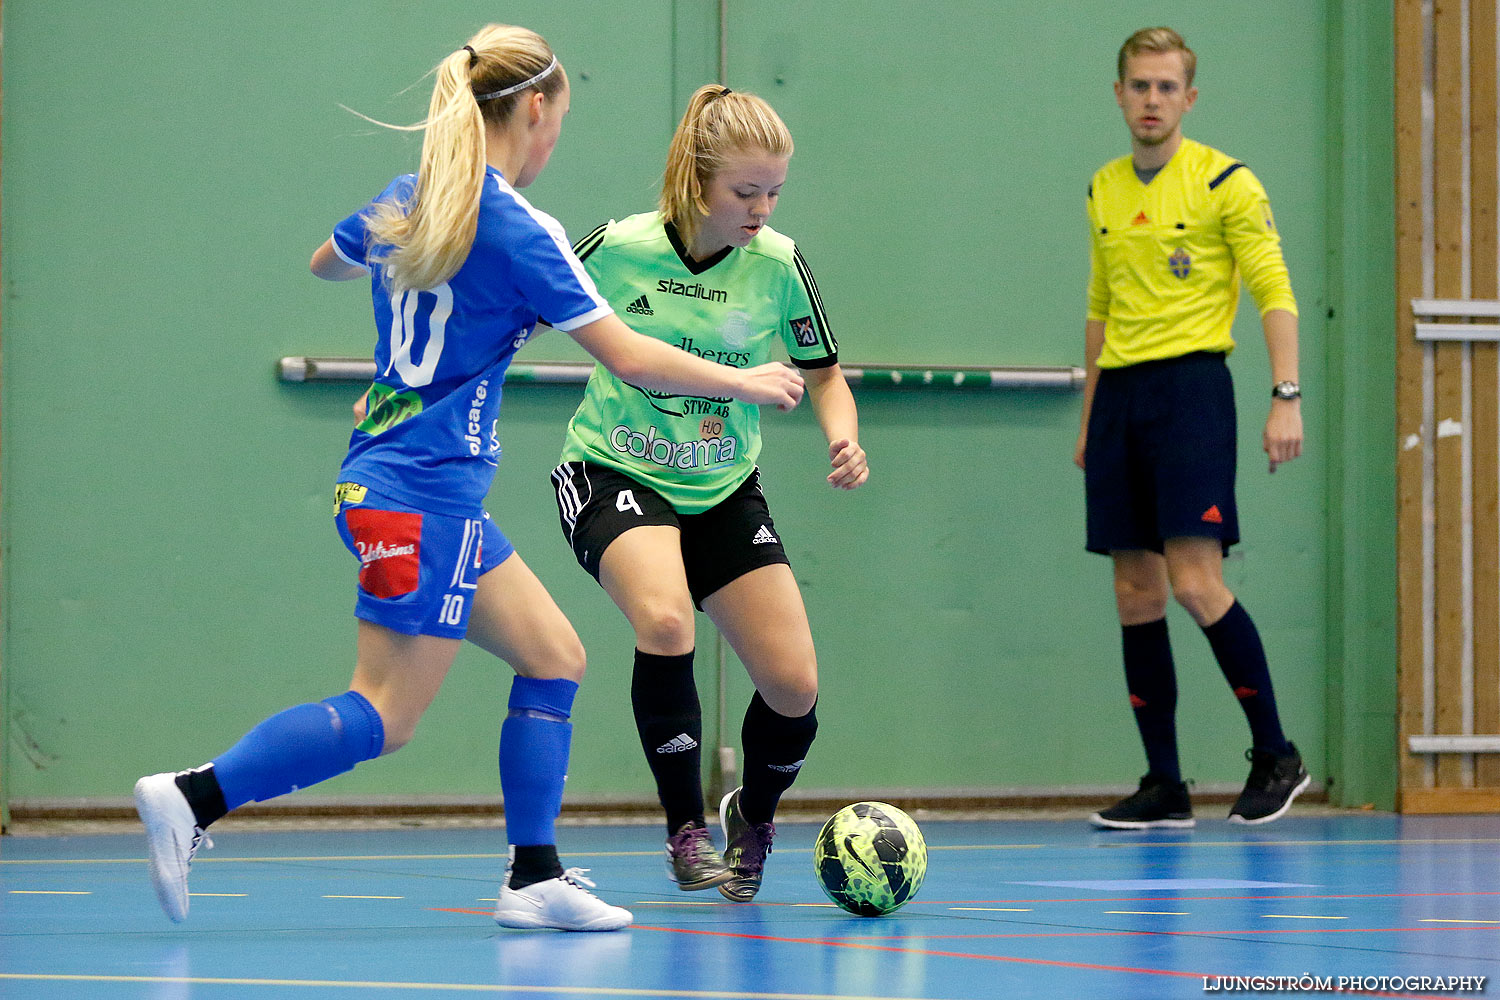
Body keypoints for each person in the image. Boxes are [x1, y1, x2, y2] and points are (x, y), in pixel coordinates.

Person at [131, 25, 804, 931]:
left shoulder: (411, 199)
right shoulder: (522, 230)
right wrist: (745, 380)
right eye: (556, 123)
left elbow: (327, 260)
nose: (553, 142)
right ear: (532, 110)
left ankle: (533, 876)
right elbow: (633, 358)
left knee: (554, 656)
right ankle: (194, 796)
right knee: (385, 713)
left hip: (392, 483)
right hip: (424, 499)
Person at [550, 84, 863, 901]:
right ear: (696, 181)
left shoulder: (779, 264)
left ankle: (750, 816)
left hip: (721, 487)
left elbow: (826, 375)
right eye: (744, 192)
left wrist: (843, 434)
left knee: (794, 687)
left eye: (775, 192)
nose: (761, 209)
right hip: (615, 469)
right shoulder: (617, 249)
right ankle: (684, 828)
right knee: (663, 617)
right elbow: (517, 312)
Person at [1076, 27, 1310, 830]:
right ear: (1118, 93)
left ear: (1189, 97)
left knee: (1195, 583)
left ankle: (1277, 752)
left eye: (1166, 87)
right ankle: (1164, 784)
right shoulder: (1104, 188)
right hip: (1121, 402)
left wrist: (1288, 394)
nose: (1151, 100)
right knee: (1134, 593)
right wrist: (1089, 419)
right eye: (1138, 86)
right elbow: (1100, 309)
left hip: (1191, 393)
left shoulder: (1226, 184)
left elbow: (1274, 289)